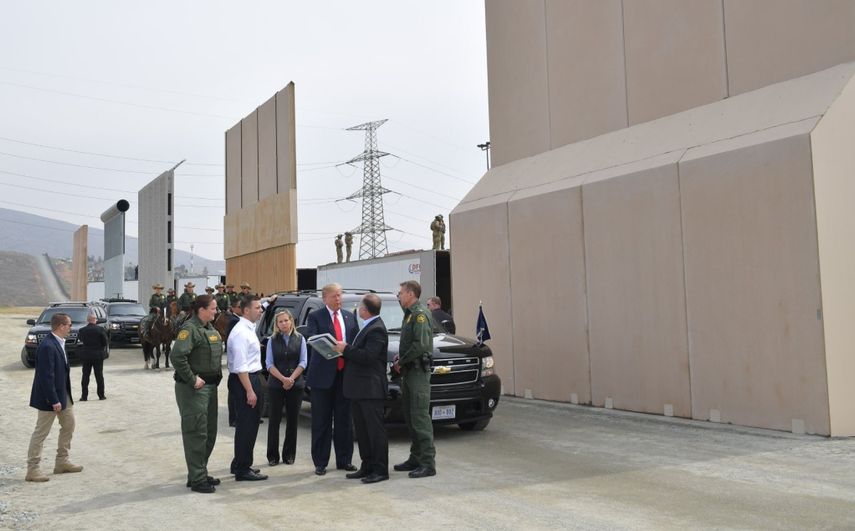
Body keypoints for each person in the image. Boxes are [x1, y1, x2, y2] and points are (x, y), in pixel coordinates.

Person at [332, 293, 389, 484]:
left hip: (370, 389)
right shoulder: (367, 326)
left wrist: (346, 349)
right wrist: (343, 351)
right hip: (358, 389)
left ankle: (380, 469)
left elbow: (368, 357)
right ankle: (367, 465)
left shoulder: (376, 329)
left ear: (364, 309)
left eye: (359, 306)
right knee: (362, 431)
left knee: (374, 431)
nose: (357, 309)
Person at [170, 295, 224, 494]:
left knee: (209, 433)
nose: (216, 311)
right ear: (201, 310)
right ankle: (198, 479)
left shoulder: (209, 328)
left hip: (210, 387)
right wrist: (192, 379)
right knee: (196, 433)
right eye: (213, 308)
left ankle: (198, 472)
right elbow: (177, 356)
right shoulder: (190, 329)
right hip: (194, 390)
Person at [306, 282, 358, 476]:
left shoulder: (349, 316)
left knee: (344, 421)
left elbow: (355, 342)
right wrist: (334, 347)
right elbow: (312, 339)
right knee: (321, 421)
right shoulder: (315, 316)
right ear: (325, 298)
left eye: (340, 295)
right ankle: (320, 462)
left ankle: (345, 460)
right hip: (323, 377)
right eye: (334, 295)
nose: (338, 299)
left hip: (345, 376)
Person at [26, 313, 83, 482]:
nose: (71, 328)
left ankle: (62, 462)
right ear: (61, 326)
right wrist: (53, 400)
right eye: (69, 325)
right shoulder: (47, 346)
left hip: (63, 394)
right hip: (49, 397)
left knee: (69, 425)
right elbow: (46, 376)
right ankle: (33, 469)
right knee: (41, 432)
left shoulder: (59, 342)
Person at [393, 280, 437, 478]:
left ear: (410, 294)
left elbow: (420, 345)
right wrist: (401, 358)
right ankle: (416, 457)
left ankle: (428, 463)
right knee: (411, 418)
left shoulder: (419, 314)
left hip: (418, 373)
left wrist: (401, 361)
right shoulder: (409, 314)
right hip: (409, 373)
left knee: (420, 418)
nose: (399, 296)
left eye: (401, 293)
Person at [227, 296, 268, 481]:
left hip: (249, 378)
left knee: (249, 424)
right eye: (257, 308)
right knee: (247, 426)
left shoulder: (248, 328)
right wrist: (250, 390)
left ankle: (240, 463)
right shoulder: (241, 333)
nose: (261, 310)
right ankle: (242, 469)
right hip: (245, 380)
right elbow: (240, 365)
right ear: (246, 311)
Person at [265, 309, 307, 467]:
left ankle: (289, 455)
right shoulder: (272, 340)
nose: (283, 323)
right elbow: (269, 364)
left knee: (292, 420)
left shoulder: (300, 338)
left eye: (286, 320)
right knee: (274, 420)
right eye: (280, 321)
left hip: (295, 385)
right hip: (276, 385)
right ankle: (272, 456)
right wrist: (283, 379)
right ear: (276, 324)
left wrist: (291, 379)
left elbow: (303, 362)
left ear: (291, 321)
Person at [77, 312, 109, 401]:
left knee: (85, 376)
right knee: (99, 376)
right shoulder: (100, 329)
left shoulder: (82, 330)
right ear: (95, 320)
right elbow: (105, 342)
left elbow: (80, 340)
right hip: (98, 355)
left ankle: (84, 396)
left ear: (87, 320)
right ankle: (101, 395)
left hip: (86, 355)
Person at [225, 297, 243, 428]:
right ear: (233, 308)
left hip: (241, 361)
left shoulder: (239, 319)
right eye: (239, 307)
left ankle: (242, 416)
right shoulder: (233, 321)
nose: (242, 309)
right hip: (236, 361)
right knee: (234, 392)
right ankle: (233, 418)